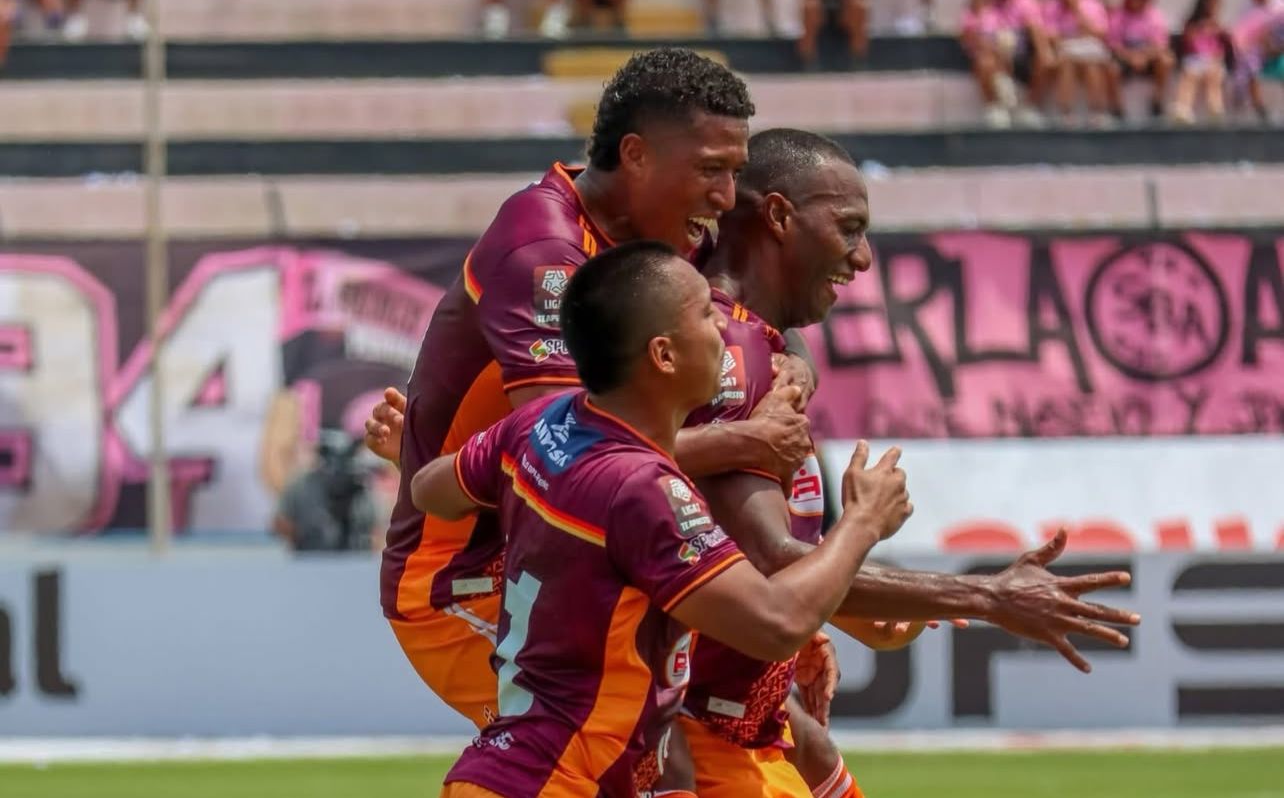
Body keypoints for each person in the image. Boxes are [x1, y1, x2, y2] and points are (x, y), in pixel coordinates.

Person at [653, 127, 1141, 797]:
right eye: (848, 228)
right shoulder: (725, 349)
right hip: (698, 738)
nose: (862, 258)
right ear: (779, 216)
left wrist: (828, 619)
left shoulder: (759, 344)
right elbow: (767, 564)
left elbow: (721, 550)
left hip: (759, 725)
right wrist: (987, 595)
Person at [378, 47, 816, 731]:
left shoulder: (667, 236)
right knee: (635, 744)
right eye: (712, 170)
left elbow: (763, 311)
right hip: (467, 580)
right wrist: (746, 440)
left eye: (735, 172)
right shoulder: (543, 250)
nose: (728, 198)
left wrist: (796, 365)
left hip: (587, 559)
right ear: (636, 155)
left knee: (748, 729)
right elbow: (567, 460)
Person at [412, 241, 913, 797]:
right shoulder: (643, 487)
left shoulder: (543, 424)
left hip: (503, 774)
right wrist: (863, 522)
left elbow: (429, 489)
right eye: (704, 315)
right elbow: (776, 622)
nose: (723, 330)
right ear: (663, 355)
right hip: (557, 782)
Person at [273, 430, 379, 553]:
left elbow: (376, 533)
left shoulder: (360, 486)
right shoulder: (301, 485)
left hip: (353, 557)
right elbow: (280, 523)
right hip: (310, 557)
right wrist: (300, 536)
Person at [1105, 0, 1174, 121]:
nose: (1138, 0)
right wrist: (1132, 57)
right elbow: (1114, 44)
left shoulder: (1154, 15)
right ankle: (1117, 109)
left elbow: (1160, 44)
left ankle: (1157, 103)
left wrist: (1144, 57)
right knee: (1111, 69)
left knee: (1166, 61)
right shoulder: (1118, 15)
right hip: (1126, 57)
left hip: (1148, 57)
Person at [1173, 0, 1234, 123]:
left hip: (1213, 60)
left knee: (1214, 77)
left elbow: (1223, 48)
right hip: (1194, 59)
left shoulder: (1218, 26)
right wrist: (1200, 28)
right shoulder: (1191, 24)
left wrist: (1216, 31)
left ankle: (1215, 109)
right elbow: (1187, 42)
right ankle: (1182, 108)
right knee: (1190, 76)